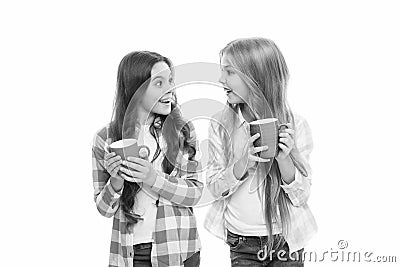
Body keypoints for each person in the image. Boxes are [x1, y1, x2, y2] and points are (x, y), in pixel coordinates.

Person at [204, 38, 317, 266]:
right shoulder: (221, 124)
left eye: (229, 72)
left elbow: (301, 196)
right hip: (242, 242)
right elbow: (214, 188)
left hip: (286, 241)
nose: (220, 79)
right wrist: (242, 164)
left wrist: (284, 159)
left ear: (256, 77)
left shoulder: (296, 124)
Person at [92, 51, 202, 267]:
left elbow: (195, 194)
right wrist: (116, 181)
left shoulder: (182, 130)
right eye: (159, 83)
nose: (169, 90)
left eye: (170, 81)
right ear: (134, 89)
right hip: (131, 253)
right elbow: (104, 209)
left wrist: (153, 177)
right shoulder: (106, 138)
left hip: (179, 249)